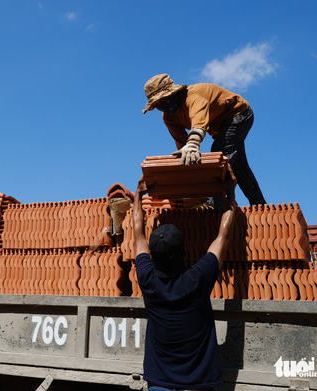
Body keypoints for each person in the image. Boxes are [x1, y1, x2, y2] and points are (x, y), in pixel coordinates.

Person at [133, 174, 237, 391]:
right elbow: (223, 238)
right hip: (198, 385)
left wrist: (139, 194)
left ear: (152, 256)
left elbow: (138, 234)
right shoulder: (197, 279)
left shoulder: (147, 281)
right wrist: (230, 193)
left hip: (159, 384)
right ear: (185, 252)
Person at [142, 73, 266, 206]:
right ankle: (260, 206)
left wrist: (193, 143)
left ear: (173, 93)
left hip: (238, 114)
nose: (163, 106)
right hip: (220, 128)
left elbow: (198, 123)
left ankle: (212, 205)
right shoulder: (169, 118)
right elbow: (183, 144)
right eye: (158, 104)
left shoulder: (193, 96)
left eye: (164, 100)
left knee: (219, 158)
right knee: (240, 169)